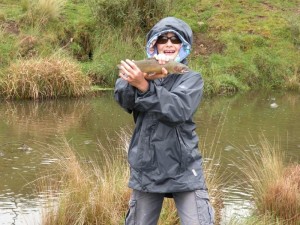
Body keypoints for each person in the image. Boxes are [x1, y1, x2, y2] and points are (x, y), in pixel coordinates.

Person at [114, 17, 214, 225]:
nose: (169, 43)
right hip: (146, 166)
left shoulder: (191, 78)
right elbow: (124, 100)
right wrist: (139, 81)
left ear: (183, 46)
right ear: (154, 44)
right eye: (163, 39)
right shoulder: (140, 74)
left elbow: (178, 110)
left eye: (175, 39)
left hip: (184, 167)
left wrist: (145, 87)